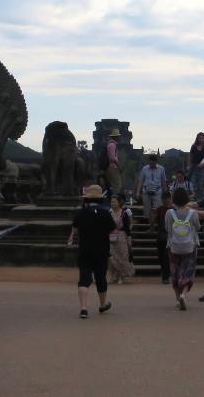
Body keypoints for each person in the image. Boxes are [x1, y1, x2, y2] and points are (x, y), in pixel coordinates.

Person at [68, 185, 116, 319]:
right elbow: (112, 229)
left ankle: (83, 308)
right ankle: (102, 304)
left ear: (87, 199)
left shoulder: (81, 213)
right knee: (101, 278)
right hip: (101, 250)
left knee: (84, 279)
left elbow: (75, 228)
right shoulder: (105, 213)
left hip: (85, 250)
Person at [165, 188, 201, 311]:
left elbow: (167, 228)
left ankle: (176, 298)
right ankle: (183, 295)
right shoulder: (193, 213)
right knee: (188, 272)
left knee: (175, 272)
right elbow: (198, 227)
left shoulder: (169, 213)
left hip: (173, 246)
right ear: (187, 199)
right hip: (190, 246)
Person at [108, 194, 135, 285]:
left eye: (114, 202)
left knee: (122, 256)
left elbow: (127, 227)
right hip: (111, 237)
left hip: (122, 237)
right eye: (111, 202)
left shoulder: (124, 213)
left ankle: (121, 276)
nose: (113, 203)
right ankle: (113, 276)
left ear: (119, 202)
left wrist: (128, 239)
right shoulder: (109, 213)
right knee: (112, 257)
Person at [135, 155, 167, 223]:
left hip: (157, 191)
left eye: (152, 163)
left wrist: (165, 193)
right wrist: (138, 192)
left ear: (156, 162)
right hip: (146, 191)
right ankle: (150, 226)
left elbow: (164, 181)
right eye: (150, 163)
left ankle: (158, 224)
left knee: (158, 208)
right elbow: (140, 181)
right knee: (147, 210)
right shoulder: (144, 168)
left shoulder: (161, 169)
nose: (151, 164)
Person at [151, 191, 173, 284]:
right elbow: (153, 221)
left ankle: (166, 276)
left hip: (170, 236)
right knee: (160, 256)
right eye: (164, 199)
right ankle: (165, 273)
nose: (165, 201)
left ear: (170, 199)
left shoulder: (173, 210)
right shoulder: (160, 209)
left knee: (165, 257)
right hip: (160, 235)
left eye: (167, 199)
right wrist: (152, 215)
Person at [188, 133, 204, 201]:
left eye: (202, 138)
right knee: (193, 184)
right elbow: (190, 156)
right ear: (197, 139)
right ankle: (193, 199)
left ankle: (201, 200)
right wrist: (189, 165)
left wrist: (203, 164)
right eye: (199, 138)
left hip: (202, 168)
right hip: (194, 167)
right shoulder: (194, 146)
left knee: (201, 185)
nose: (201, 140)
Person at [106, 128, 123, 195]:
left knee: (114, 185)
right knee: (117, 185)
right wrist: (119, 167)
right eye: (118, 136)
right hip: (113, 167)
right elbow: (112, 158)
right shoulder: (112, 145)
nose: (119, 138)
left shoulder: (111, 145)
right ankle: (114, 200)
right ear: (116, 137)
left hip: (112, 167)